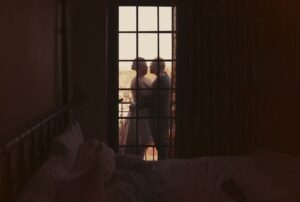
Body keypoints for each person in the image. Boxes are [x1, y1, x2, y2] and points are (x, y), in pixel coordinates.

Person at [137, 57, 171, 160]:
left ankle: (163, 168)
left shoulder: (162, 80)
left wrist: (137, 105)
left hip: (160, 117)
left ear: (157, 66)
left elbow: (154, 100)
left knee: (161, 145)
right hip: (160, 116)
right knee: (160, 144)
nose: (149, 66)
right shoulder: (163, 78)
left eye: (152, 65)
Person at [119, 57, 154, 158]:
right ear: (140, 68)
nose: (147, 68)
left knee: (143, 142)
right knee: (138, 141)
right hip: (139, 113)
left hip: (143, 111)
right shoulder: (136, 81)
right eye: (145, 66)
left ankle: (140, 160)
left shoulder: (145, 79)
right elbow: (148, 96)